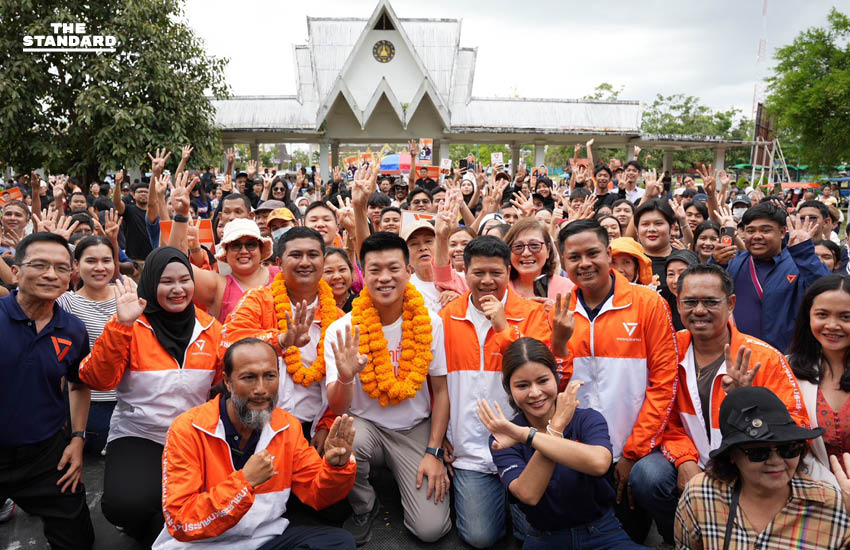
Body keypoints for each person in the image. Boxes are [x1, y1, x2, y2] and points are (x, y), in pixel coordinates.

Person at [630, 264, 809, 544]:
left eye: (711, 302)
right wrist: (684, 460)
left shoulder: (764, 357)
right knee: (647, 476)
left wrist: (750, 406)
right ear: (677, 303)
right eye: (690, 302)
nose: (699, 310)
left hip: (751, 462)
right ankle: (679, 537)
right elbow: (663, 415)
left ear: (731, 303)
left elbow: (798, 426)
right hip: (691, 460)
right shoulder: (667, 349)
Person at [152, 338, 356, 550]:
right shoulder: (188, 428)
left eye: (269, 376)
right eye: (249, 377)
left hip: (263, 541)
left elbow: (318, 495)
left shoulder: (287, 426)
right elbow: (181, 522)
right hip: (202, 545)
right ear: (228, 382)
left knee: (339, 542)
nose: (261, 389)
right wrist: (244, 483)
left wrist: (336, 468)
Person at [78, 247, 224, 545]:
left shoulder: (211, 328)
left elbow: (225, 384)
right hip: (139, 433)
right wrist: (121, 326)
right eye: (166, 281)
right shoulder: (130, 323)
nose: (177, 289)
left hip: (193, 437)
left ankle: (162, 527)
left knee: (203, 503)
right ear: (150, 282)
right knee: (127, 505)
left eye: (185, 280)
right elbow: (98, 380)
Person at [439, 236, 569, 548]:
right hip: (470, 452)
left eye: (495, 273)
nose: (486, 281)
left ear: (507, 271)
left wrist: (502, 328)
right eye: (478, 273)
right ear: (464, 272)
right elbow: (437, 385)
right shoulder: (445, 317)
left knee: (535, 534)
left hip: (525, 449)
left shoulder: (532, 313)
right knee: (481, 538)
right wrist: (440, 432)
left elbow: (541, 376)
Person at [324, 232, 452, 544]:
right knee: (344, 439)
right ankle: (365, 504)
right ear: (362, 274)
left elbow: (442, 390)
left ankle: (408, 478)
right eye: (374, 270)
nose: (384, 278)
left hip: (414, 429)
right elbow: (339, 408)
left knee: (430, 530)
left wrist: (434, 451)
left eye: (393, 268)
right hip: (365, 428)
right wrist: (344, 376)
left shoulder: (430, 323)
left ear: (409, 272)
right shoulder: (342, 330)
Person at [557, 219, 679, 543]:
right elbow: (550, 387)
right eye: (574, 257)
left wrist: (632, 453)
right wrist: (558, 345)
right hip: (580, 449)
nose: (584, 263)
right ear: (563, 262)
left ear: (609, 254)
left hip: (634, 448)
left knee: (634, 520)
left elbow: (665, 381)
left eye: (592, 253)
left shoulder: (648, 303)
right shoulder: (557, 311)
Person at [479, 338, 645, 550]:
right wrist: (555, 428)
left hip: (602, 532)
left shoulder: (586, 419)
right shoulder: (503, 437)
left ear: (557, 378)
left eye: (542, 381)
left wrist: (526, 435)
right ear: (509, 389)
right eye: (522, 385)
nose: (535, 393)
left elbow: (599, 463)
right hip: (544, 538)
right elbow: (528, 494)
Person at [0, 233, 94, 550]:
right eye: (39, 265)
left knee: (77, 541)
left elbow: (79, 384)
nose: (50, 274)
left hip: (47, 456)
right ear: (15, 271)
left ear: (71, 276)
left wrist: (78, 440)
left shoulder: (72, 329)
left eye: (60, 267)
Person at [675, 386, 850, 549]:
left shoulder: (833, 504)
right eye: (759, 453)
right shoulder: (700, 495)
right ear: (732, 456)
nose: (776, 461)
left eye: (788, 449)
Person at [224, 227, 343, 441]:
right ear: (279, 263)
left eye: (313, 255)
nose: (305, 262)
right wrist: (279, 341)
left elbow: (344, 378)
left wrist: (327, 424)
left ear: (323, 262)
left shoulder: (337, 318)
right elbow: (227, 344)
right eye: (296, 255)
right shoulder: (258, 300)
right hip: (257, 425)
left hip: (313, 430)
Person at [712, 202, 829, 352]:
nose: (757, 236)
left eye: (766, 230)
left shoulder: (799, 263)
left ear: (782, 232)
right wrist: (715, 263)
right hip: (738, 356)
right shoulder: (732, 263)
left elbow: (826, 292)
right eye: (750, 231)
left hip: (786, 359)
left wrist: (804, 253)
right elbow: (707, 294)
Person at [57, 235, 119, 456]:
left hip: (129, 404)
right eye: (91, 261)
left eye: (106, 260)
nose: (100, 268)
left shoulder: (128, 294)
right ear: (76, 265)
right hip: (88, 406)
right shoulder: (65, 302)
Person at [790, 274, 850, 477]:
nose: (832, 325)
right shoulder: (786, 370)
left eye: (846, 317)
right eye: (822, 315)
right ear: (808, 316)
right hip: (813, 498)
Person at [504, 219, 574, 306]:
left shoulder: (567, 288)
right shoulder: (500, 288)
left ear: (548, 250)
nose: (526, 253)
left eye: (534, 245)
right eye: (518, 246)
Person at [323, 247, 356, 313]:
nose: (337, 276)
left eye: (342, 270)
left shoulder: (362, 303)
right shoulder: (313, 307)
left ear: (351, 272)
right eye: (329, 271)